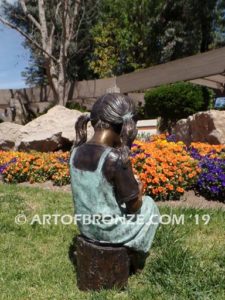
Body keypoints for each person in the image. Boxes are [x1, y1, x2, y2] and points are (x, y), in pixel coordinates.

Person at [69, 93, 160, 272]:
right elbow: (134, 206)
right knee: (150, 206)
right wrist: (139, 189)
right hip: (109, 231)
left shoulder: (75, 152)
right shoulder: (115, 158)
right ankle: (135, 255)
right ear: (124, 126)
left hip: (86, 227)